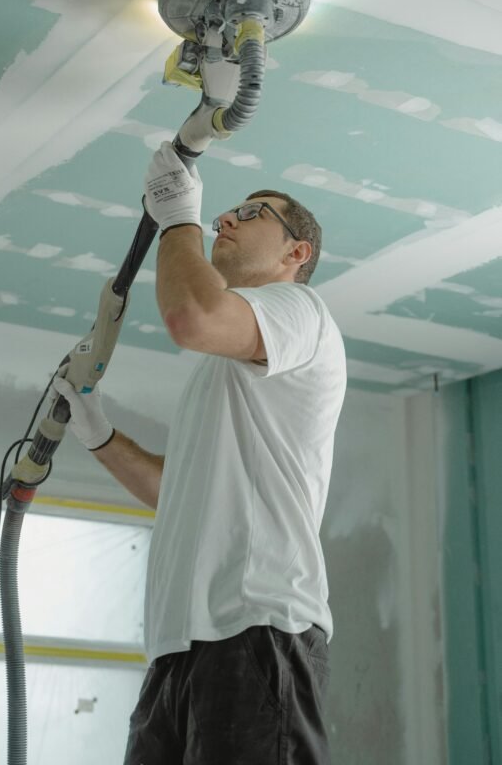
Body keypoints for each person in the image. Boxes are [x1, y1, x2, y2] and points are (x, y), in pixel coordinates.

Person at [52, 140, 347, 765]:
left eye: (253, 212)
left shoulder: (301, 310)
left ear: (297, 253)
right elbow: (176, 490)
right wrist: (98, 434)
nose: (226, 218)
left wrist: (178, 219)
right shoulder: (224, 376)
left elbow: (191, 317)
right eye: (227, 210)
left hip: (260, 625)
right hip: (177, 645)